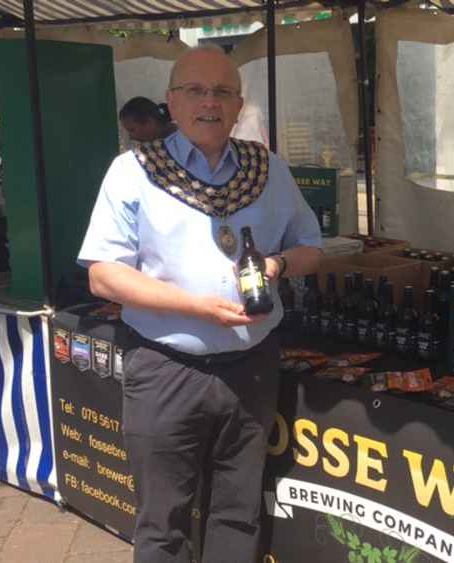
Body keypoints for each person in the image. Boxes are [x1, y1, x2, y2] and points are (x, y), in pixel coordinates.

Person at [78, 46, 322, 563]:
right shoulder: (133, 171)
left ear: (238, 105)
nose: (209, 102)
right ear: (171, 100)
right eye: (195, 90)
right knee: (162, 522)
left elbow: (313, 249)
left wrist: (278, 265)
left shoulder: (269, 169)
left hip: (251, 367)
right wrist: (197, 309)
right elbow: (103, 275)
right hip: (165, 369)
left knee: (238, 513)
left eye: (223, 92)